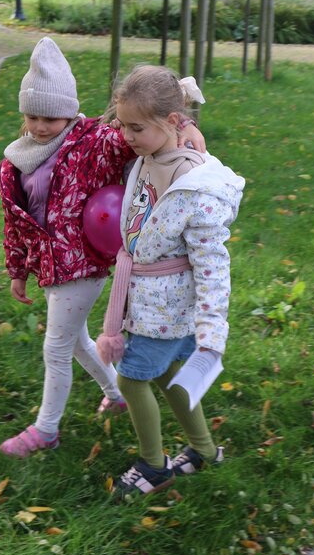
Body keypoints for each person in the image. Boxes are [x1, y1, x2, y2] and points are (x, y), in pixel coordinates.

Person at [0, 39, 204, 458]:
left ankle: (46, 430)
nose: (40, 126)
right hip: (50, 266)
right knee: (74, 341)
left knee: (55, 347)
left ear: (69, 112)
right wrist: (17, 269)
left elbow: (142, 129)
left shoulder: (93, 143)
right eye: (33, 116)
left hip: (83, 264)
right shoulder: (17, 160)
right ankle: (116, 394)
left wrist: (184, 124)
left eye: (51, 118)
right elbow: (16, 221)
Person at [96, 65, 244, 498]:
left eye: (135, 128)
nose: (125, 136)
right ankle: (204, 449)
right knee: (170, 374)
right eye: (123, 125)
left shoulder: (198, 190)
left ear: (173, 122)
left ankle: (153, 466)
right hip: (148, 300)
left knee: (130, 380)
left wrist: (212, 328)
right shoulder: (151, 154)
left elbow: (213, 264)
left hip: (165, 309)